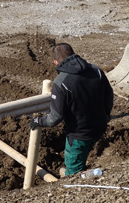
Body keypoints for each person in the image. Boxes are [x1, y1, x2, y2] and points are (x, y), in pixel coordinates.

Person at [30, 43, 113, 177]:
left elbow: (55, 118)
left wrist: (39, 120)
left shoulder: (61, 82)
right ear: (74, 54)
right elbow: (109, 95)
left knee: (74, 175)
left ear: (56, 62)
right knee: (84, 153)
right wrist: (106, 115)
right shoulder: (96, 70)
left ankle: (72, 175)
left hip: (79, 136)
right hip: (100, 127)